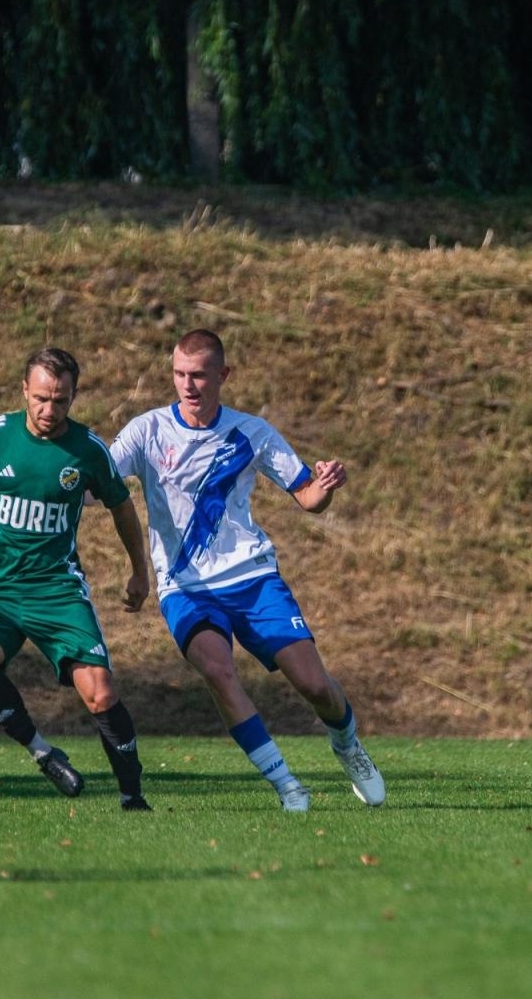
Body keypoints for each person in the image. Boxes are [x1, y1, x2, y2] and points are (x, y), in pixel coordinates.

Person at [110, 329, 384, 812]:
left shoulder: (251, 432)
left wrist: (325, 486)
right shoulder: (147, 431)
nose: (188, 385)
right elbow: (98, 484)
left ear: (223, 375)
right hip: (185, 586)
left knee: (314, 684)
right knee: (218, 670)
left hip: (252, 578)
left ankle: (347, 744)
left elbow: (308, 497)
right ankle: (287, 785)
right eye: (179, 374)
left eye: (199, 375)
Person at [0, 347, 154, 810]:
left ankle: (133, 798)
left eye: (60, 400)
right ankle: (42, 752)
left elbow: (121, 506)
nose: (49, 410)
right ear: (24, 390)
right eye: (41, 398)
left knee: (100, 693)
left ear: (73, 396)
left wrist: (139, 571)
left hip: (58, 590)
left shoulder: (88, 450)